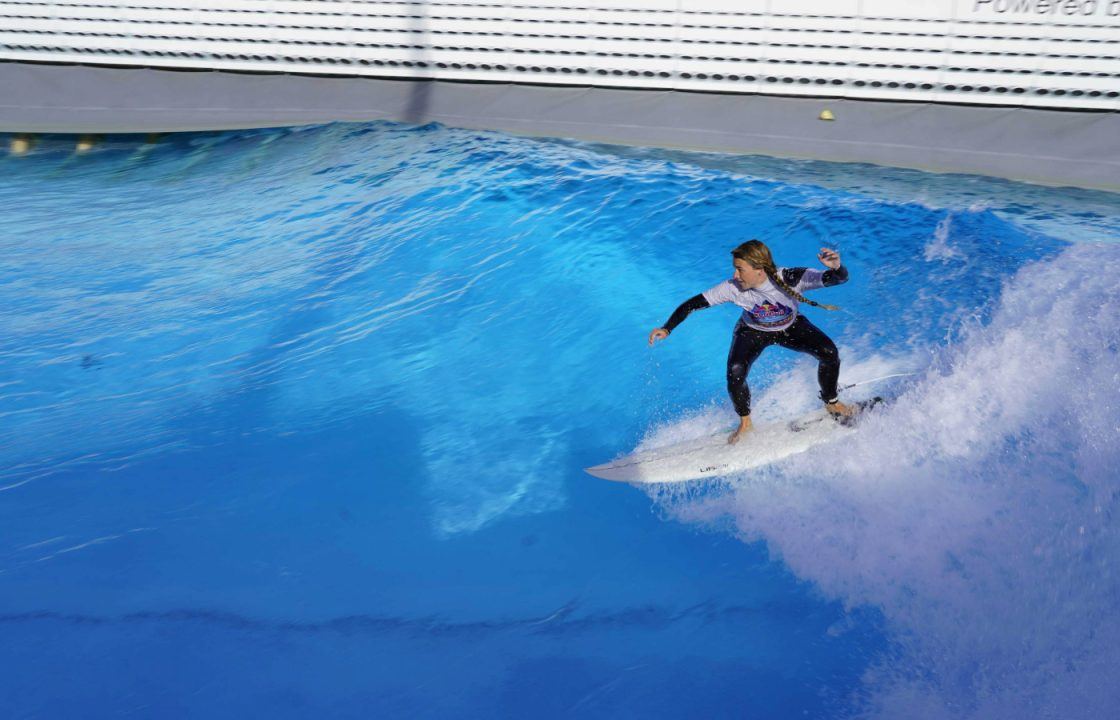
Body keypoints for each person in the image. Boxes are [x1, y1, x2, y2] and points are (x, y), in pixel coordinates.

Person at [648, 239, 853, 444]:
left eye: (739, 269)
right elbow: (692, 304)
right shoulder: (732, 288)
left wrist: (836, 267)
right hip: (752, 331)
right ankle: (745, 423)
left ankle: (832, 402)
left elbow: (839, 278)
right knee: (735, 372)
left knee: (829, 353)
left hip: (790, 327)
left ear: (759, 269)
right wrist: (667, 328)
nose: (735, 275)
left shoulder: (791, 278)